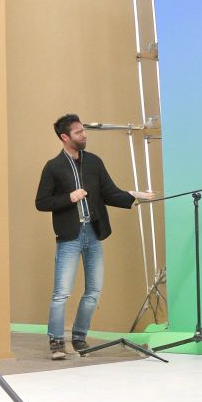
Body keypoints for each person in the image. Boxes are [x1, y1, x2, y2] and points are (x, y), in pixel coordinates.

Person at [35, 114, 153, 360]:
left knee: (94, 291)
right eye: (78, 132)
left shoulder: (94, 162)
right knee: (61, 292)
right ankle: (57, 342)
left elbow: (110, 193)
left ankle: (79, 337)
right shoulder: (53, 166)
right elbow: (42, 202)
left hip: (93, 233)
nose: (84, 135)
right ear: (65, 137)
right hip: (69, 236)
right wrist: (70, 198)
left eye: (83, 131)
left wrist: (135, 195)